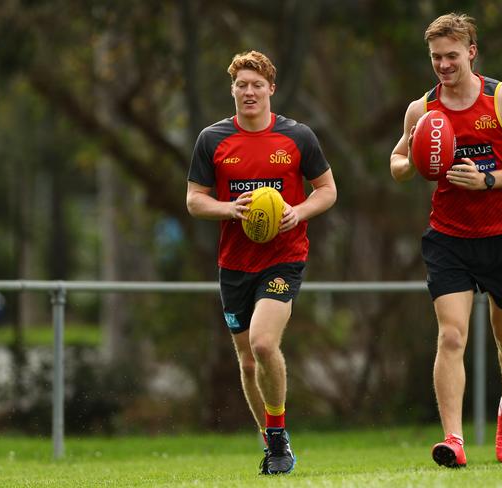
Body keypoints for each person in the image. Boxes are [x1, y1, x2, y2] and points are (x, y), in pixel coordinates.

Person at [390, 13, 502, 468]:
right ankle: (453, 439)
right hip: (449, 239)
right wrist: (410, 164)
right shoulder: (422, 110)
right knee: (452, 335)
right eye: (436, 57)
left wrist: (489, 180)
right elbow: (398, 159)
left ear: (471, 52)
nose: (443, 65)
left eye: (452, 56)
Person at [186, 50, 337, 475]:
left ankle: (276, 437)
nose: (249, 92)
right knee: (248, 361)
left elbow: (327, 190)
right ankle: (275, 441)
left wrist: (298, 212)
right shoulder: (212, 139)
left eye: (257, 85)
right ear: (232, 90)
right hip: (235, 263)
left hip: (283, 258)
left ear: (271, 88)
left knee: (264, 344)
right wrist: (229, 209)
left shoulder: (298, 137)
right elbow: (195, 201)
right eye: (241, 85)